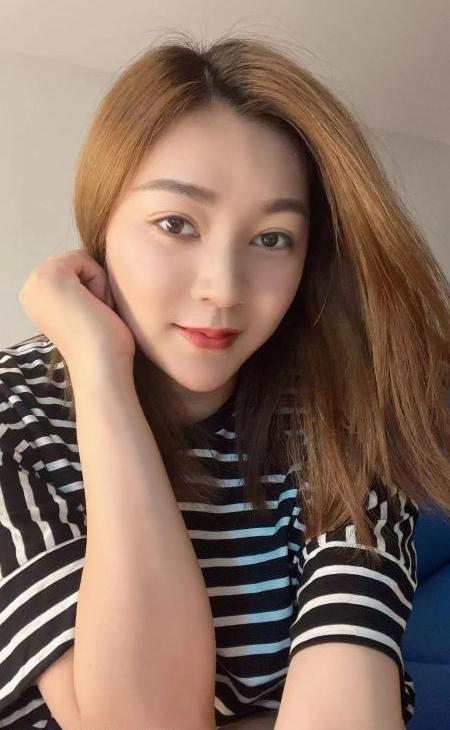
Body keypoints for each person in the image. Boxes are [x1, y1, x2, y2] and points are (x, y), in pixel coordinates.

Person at [0, 31, 449, 730]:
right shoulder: (15, 418)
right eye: (176, 223)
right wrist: (98, 371)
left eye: (271, 238)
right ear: (101, 225)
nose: (224, 288)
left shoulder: (342, 415)